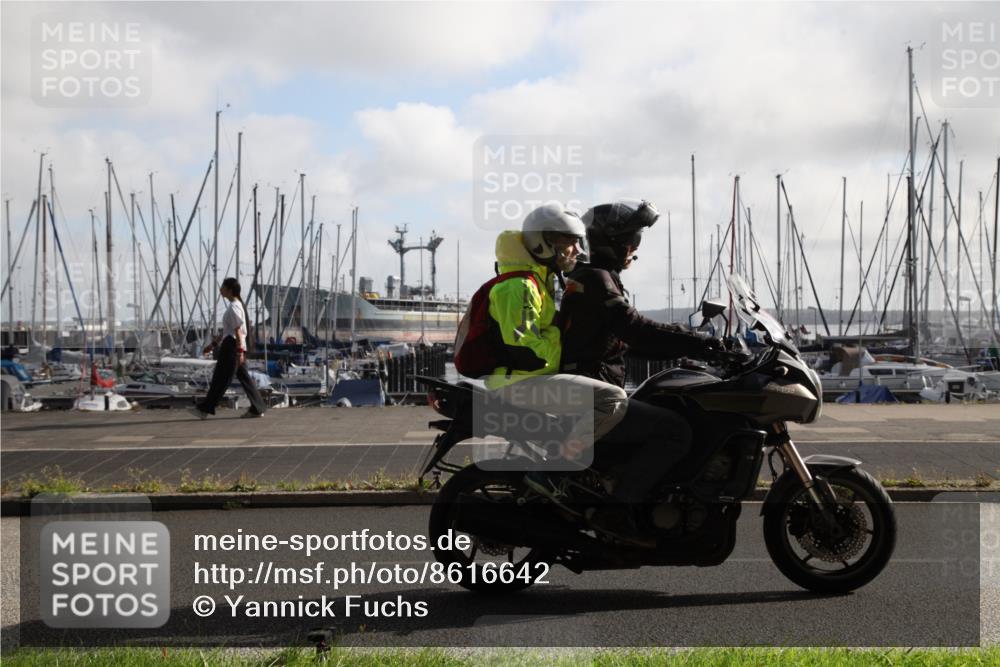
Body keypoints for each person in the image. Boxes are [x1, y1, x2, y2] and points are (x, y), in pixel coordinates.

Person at [560, 199, 721, 542]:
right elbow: (634, 327)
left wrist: (685, 353)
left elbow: (632, 342)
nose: (635, 247)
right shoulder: (596, 279)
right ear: (613, 241)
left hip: (591, 385)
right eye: (633, 238)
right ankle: (617, 512)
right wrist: (699, 341)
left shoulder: (595, 277)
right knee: (675, 431)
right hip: (590, 393)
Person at [481, 204, 629, 501]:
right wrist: (560, 336)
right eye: (569, 241)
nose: (576, 249)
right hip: (519, 383)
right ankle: (554, 470)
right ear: (543, 242)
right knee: (612, 400)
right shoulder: (519, 285)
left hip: (527, 378)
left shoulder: (538, 280)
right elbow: (523, 346)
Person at [188, 277, 266, 419]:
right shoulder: (236, 305)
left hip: (232, 347)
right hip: (234, 345)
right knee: (244, 377)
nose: (220, 289)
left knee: (221, 378)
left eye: (223, 287)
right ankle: (257, 408)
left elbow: (237, 331)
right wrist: (213, 345)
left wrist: (240, 352)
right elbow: (227, 331)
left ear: (229, 289)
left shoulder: (234, 307)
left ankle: (205, 408)